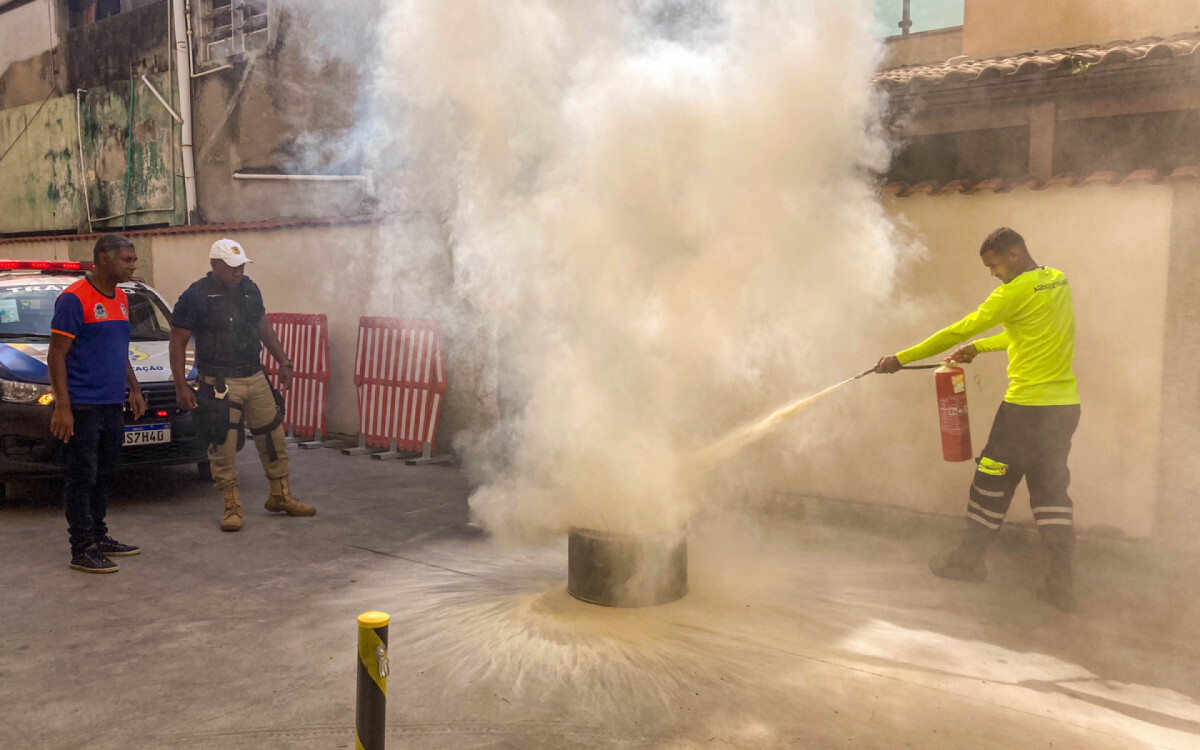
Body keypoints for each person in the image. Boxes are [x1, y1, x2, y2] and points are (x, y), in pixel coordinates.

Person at [875, 228, 1081, 612]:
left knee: (990, 482)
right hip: (1064, 409)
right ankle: (1061, 583)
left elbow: (958, 329)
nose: (992, 274)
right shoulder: (1057, 280)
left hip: (1025, 412)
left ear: (1015, 253)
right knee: (1051, 491)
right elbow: (1024, 335)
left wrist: (899, 359)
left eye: (994, 265)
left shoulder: (1012, 292)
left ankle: (968, 562)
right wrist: (980, 348)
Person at [169, 238, 315, 531]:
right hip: (218, 381)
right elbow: (177, 341)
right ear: (215, 265)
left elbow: (264, 327)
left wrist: (283, 361)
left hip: (254, 375)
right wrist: (180, 385)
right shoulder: (195, 295)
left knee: (271, 436)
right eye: (232, 267)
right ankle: (232, 507)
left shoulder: (249, 289)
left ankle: (281, 495)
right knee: (222, 445)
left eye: (241, 267)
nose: (238, 273)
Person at [48, 234, 146, 573]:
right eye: (127, 260)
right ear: (104, 258)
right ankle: (82, 548)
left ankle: (99, 535)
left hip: (111, 404)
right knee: (81, 476)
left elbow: (120, 351)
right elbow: (56, 355)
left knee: (104, 474)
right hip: (83, 406)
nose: (133, 265)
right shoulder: (74, 299)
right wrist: (63, 406)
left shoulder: (120, 297)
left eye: (133, 260)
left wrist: (134, 388)